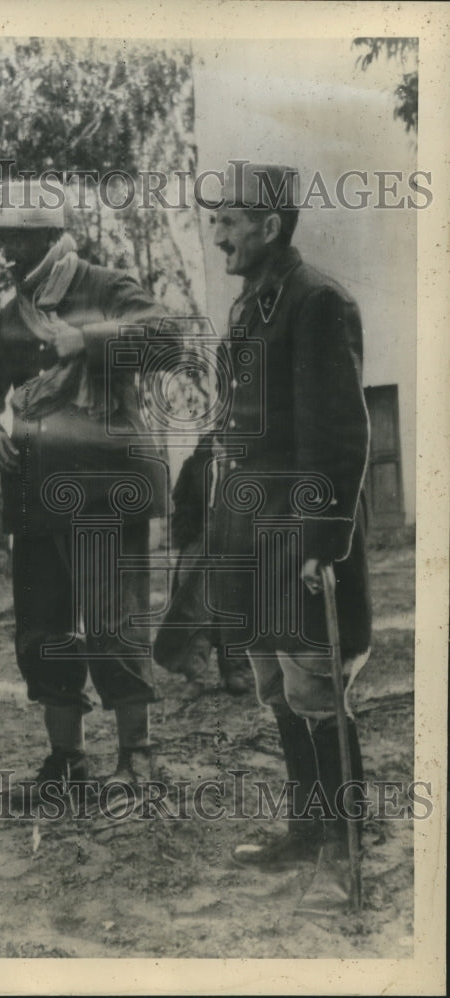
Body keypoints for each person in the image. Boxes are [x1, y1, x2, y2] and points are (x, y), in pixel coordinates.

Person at [0, 182, 175, 806]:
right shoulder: (13, 316)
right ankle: (67, 761)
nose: (6, 255)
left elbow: (168, 339)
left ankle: (138, 757)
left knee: (113, 624)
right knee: (43, 631)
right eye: (3, 242)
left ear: (50, 237)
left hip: (103, 490)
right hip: (35, 494)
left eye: (17, 242)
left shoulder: (105, 286)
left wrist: (90, 339)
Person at [207, 163, 371, 913]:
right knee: (276, 684)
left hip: (294, 532)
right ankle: (306, 826)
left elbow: (336, 435)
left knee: (314, 687)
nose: (219, 237)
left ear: (269, 226)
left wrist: (320, 542)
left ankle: (343, 844)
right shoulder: (251, 305)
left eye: (229, 223)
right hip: (249, 528)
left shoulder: (316, 302)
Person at [152, 433, 253, 697]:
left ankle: (235, 670)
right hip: (199, 539)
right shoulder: (195, 463)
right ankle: (195, 675)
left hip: (235, 541)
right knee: (195, 606)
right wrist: (186, 537)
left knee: (234, 604)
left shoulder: (247, 462)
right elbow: (179, 501)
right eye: (219, 439)